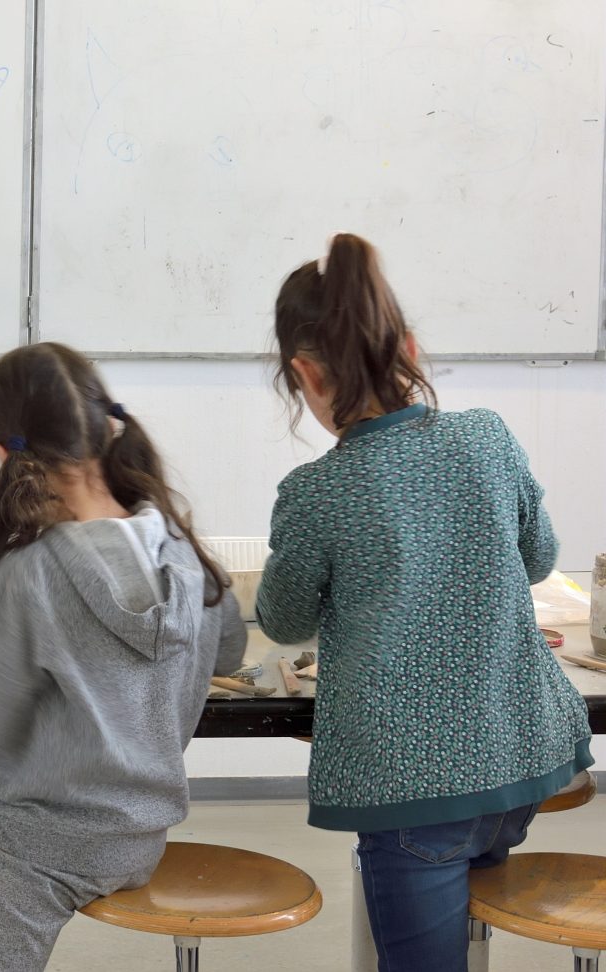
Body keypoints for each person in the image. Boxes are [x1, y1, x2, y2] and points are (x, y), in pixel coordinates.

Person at [257, 233, 592, 969]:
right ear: (408, 344)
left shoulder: (317, 492)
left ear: (303, 373)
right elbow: (539, 558)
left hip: (412, 787)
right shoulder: (487, 438)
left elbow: (283, 622)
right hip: (522, 765)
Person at [0, 342, 246, 971]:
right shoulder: (182, 551)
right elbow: (230, 649)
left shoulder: (33, 573)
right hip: (140, 833)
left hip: (46, 846)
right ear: (106, 429)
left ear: (4, 457)